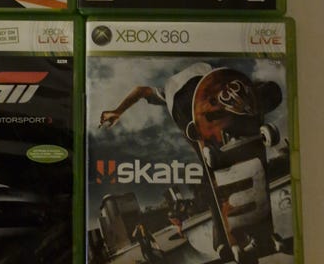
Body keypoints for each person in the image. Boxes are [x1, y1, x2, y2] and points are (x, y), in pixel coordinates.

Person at [99, 62, 282, 259]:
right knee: (254, 107)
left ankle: (222, 242)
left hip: (189, 110)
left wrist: (117, 111)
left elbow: (140, 91)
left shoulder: (164, 92)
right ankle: (248, 129)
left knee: (214, 177)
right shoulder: (203, 81)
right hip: (206, 89)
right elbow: (141, 90)